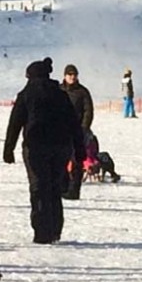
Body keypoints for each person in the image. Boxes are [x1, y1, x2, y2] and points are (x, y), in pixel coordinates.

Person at [5, 59, 86, 244]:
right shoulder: (61, 94)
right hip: (61, 148)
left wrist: (8, 149)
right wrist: (79, 151)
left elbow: (15, 123)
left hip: (35, 148)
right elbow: (74, 125)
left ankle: (42, 232)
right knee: (54, 188)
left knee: (38, 188)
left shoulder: (26, 94)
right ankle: (55, 230)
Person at [61, 63, 94, 200]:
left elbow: (88, 111)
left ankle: (74, 191)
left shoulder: (82, 92)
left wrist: (84, 128)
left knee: (76, 161)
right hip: (61, 130)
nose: (72, 77)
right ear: (65, 76)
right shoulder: (59, 90)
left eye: (74, 75)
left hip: (78, 131)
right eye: (70, 75)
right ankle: (63, 188)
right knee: (61, 160)